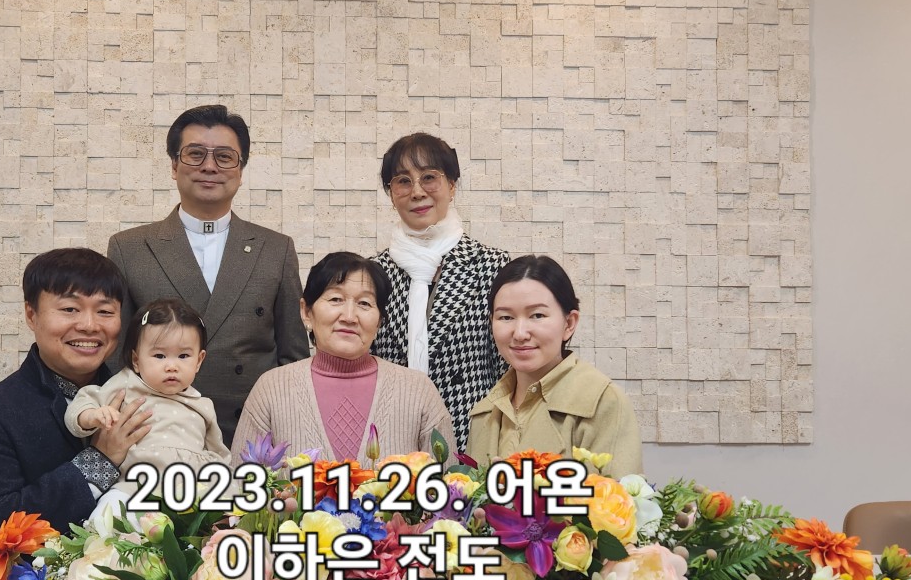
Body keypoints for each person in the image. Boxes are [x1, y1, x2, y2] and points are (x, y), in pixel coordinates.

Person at [108, 104, 308, 446]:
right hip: (158, 437)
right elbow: (117, 357)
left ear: (241, 170)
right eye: (195, 154)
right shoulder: (129, 248)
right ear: (174, 165)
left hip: (254, 437)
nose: (210, 166)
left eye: (225, 157)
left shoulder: (276, 249)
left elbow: (294, 358)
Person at [0, 248, 152, 556]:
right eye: (69, 309)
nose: (89, 325)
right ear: (32, 314)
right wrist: (100, 461)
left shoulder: (146, 401)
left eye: (105, 312)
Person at [231, 252, 453, 465]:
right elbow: (241, 484)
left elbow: (449, 485)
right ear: (306, 312)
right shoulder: (271, 389)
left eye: (364, 303)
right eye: (336, 299)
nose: (349, 317)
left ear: (379, 321)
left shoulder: (419, 391)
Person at [370, 132, 509, 452]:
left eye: (429, 177)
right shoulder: (372, 275)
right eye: (403, 181)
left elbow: (509, 373)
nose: (417, 191)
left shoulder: (492, 267)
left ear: (452, 186)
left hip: (471, 443)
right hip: (390, 442)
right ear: (391, 194)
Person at [466, 255, 643, 478]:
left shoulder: (603, 403)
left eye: (537, 315)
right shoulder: (484, 412)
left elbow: (617, 497)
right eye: (506, 317)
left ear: (569, 323)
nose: (520, 333)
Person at [65, 297, 228, 493]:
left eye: (184, 356)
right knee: (111, 506)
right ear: (136, 360)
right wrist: (92, 416)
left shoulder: (203, 405)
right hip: (133, 486)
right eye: (159, 356)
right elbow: (84, 400)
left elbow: (219, 453)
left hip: (189, 490)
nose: (172, 366)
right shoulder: (127, 384)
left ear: (199, 361)